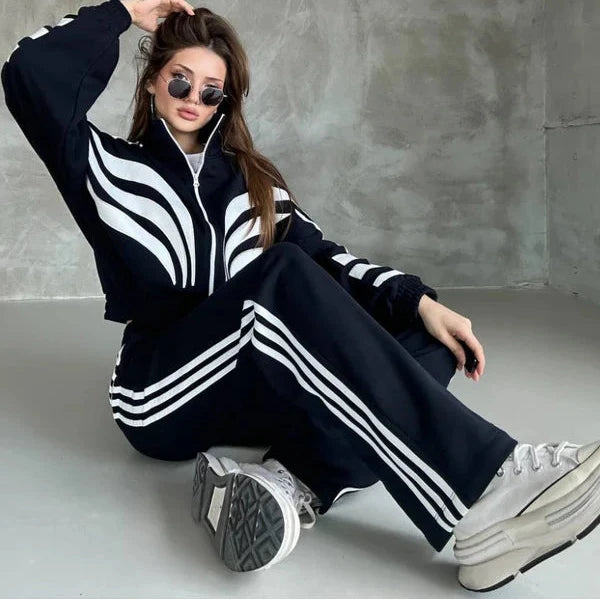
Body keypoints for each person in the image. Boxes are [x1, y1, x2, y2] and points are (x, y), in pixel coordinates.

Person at [2, 0, 598, 592]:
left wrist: (419, 302)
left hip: (253, 390)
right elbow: (29, 74)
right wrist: (125, 9)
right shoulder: (104, 167)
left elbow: (329, 260)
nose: (192, 98)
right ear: (154, 79)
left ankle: (290, 483)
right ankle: (486, 481)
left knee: (431, 344)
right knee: (280, 275)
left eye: (211, 91)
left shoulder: (254, 183)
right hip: (161, 393)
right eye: (180, 80)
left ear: (224, 102)